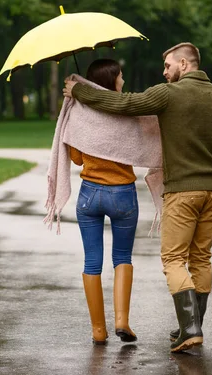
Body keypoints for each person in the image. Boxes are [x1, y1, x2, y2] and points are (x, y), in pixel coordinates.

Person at [64, 43, 212, 353]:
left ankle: (186, 328)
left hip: (180, 190)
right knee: (200, 258)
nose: (164, 72)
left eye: (168, 66)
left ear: (184, 63)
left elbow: (124, 105)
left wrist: (79, 91)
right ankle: (185, 325)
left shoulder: (169, 94)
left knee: (172, 259)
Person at [70, 59, 139, 345]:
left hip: (89, 194)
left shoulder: (80, 113)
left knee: (91, 261)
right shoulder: (127, 111)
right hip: (122, 193)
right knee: (121, 257)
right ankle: (122, 321)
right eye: (121, 76)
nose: (123, 81)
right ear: (112, 80)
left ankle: (99, 330)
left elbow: (76, 158)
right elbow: (140, 148)